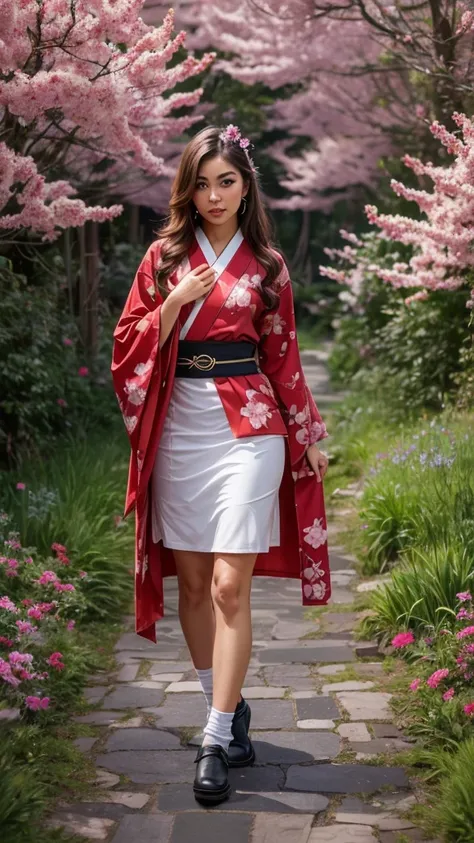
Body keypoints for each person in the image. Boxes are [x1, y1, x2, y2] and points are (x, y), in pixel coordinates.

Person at [111, 124, 330, 806]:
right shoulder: (162, 259)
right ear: (187, 187)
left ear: (246, 186)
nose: (212, 195)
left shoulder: (267, 265)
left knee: (231, 586)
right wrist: (173, 303)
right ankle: (229, 712)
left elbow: (284, 354)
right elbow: (126, 349)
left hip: (251, 424)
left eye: (225, 182)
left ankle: (211, 740)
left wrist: (306, 429)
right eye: (201, 183)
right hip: (180, 424)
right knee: (193, 580)